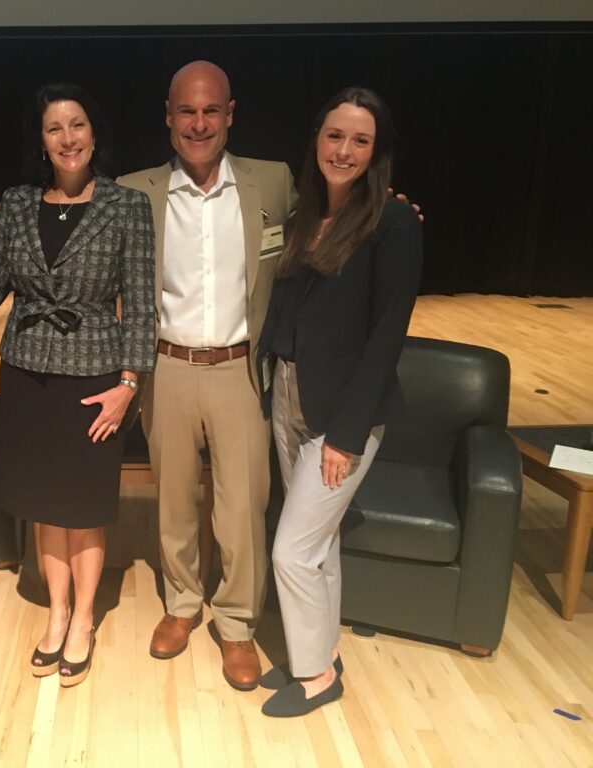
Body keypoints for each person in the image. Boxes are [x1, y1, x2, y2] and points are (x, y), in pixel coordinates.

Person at [117, 61, 297, 691]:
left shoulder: (272, 182)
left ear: (230, 115)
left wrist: (389, 217)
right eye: (186, 112)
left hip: (239, 369)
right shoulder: (133, 190)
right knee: (172, 499)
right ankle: (183, 602)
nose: (199, 123)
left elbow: (324, 235)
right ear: (168, 117)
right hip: (166, 366)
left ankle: (239, 622)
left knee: (243, 505)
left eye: (211, 111)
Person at [257, 87, 423, 717]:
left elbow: (388, 336)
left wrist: (349, 435)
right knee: (319, 544)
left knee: (292, 549)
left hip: (345, 412)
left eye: (360, 140)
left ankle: (315, 679)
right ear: (317, 140)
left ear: (376, 151)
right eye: (334, 136)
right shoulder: (306, 213)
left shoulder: (395, 223)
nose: (344, 150)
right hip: (291, 392)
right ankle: (321, 652)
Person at [0, 83, 156, 687]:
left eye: (77, 125)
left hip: (94, 377)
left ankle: (84, 618)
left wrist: (129, 383)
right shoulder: (19, 201)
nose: (67, 138)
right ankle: (55, 613)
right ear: (41, 139)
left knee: (82, 506)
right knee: (43, 505)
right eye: (55, 128)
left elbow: (139, 307)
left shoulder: (127, 206)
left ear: (94, 132)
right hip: (26, 373)